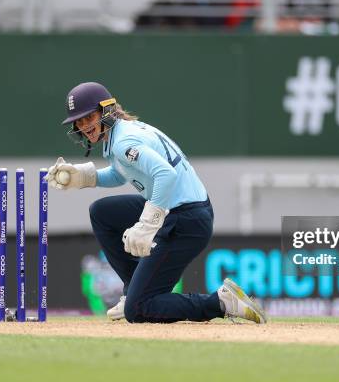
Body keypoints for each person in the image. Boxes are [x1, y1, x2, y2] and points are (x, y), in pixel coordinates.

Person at [47, 81, 267, 324]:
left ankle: (221, 302)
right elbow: (122, 173)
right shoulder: (121, 133)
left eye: (89, 117)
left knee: (138, 310)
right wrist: (87, 177)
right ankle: (133, 288)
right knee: (101, 212)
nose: (84, 126)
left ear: (106, 110)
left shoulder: (123, 142)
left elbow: (165, 174)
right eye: (79, 122)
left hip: (187, 220)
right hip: (182, 209)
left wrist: (148, 223)